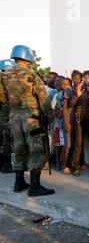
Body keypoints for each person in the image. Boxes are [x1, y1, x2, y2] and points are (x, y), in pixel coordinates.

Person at [1, 45, 55, 197]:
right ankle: (35, 186)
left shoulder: (4, 75)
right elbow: (43, 99)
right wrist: (49, 117)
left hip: (14, 116)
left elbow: (3, 97)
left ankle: (19, 183)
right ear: (28, 58)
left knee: (19, 148)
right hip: (31, 117)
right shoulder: (31, 75)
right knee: (36, 149)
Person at [71, 70, 89, 177]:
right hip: (79, 119)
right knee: (78, 143)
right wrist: (78, 94)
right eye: (85, 77)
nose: (86, 79)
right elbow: (71, 103)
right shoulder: (79, 88)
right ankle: (76, 167)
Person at [0, 59, 15, 174]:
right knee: (6, 138)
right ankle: (6, 165)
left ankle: (2, 164)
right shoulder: (7, 80)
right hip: (5, 110)